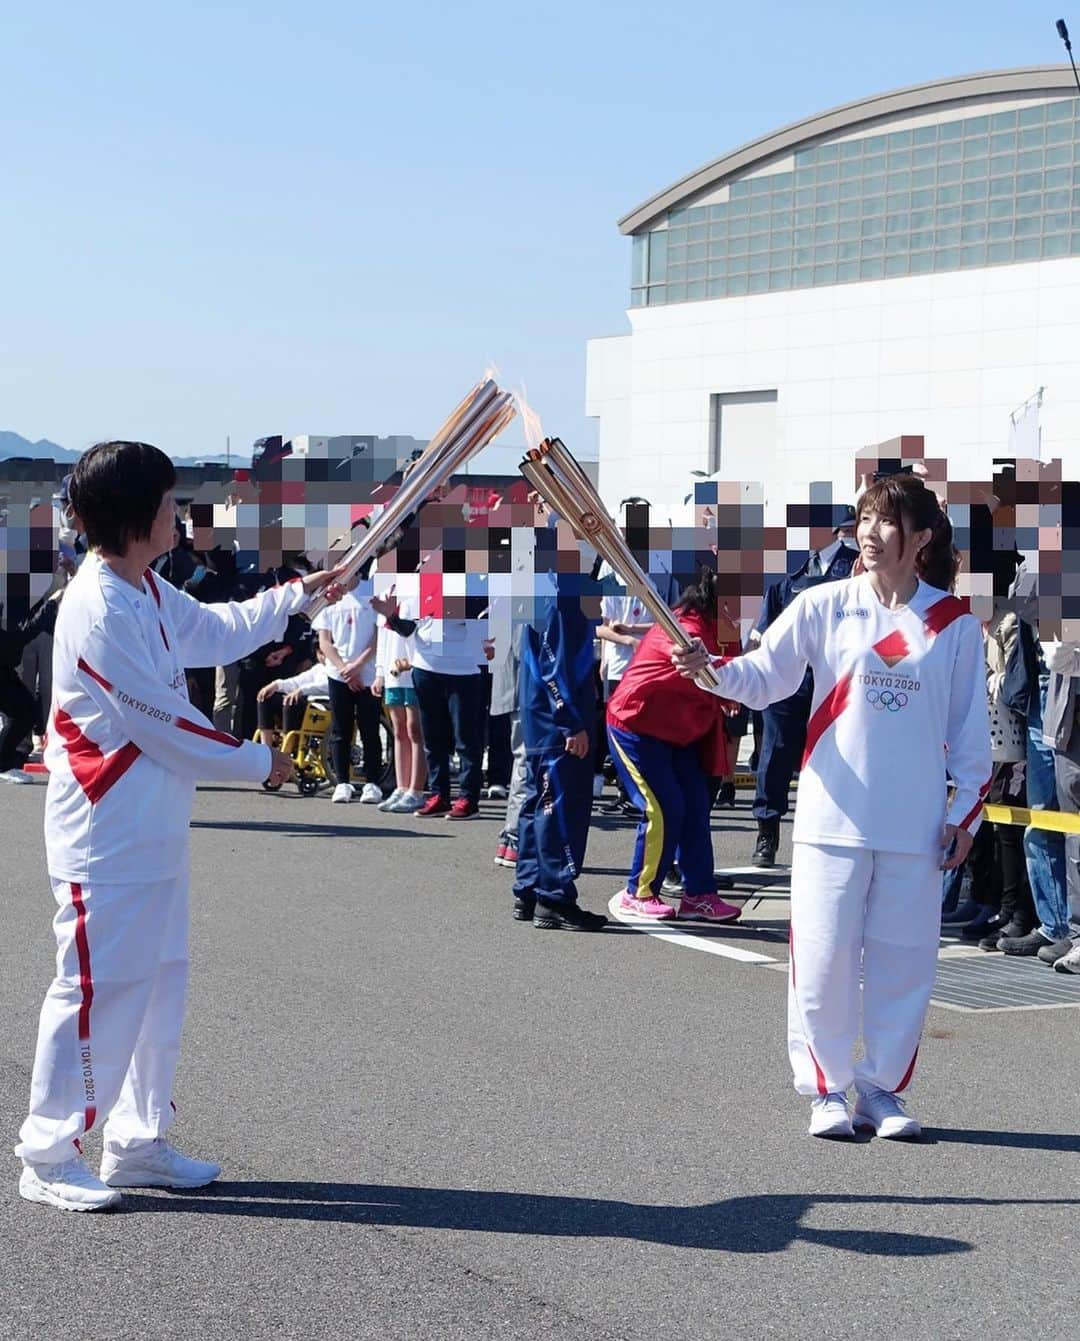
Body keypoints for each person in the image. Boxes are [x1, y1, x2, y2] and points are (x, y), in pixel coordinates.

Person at [15, 440, 342, 1212]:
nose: (179, 516)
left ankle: (136, 1140)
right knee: (96, 988)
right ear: (137, 516)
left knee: (160, 985)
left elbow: (221, 630)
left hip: (154, 830)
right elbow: (166, 726)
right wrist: (261, 761)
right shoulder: (97, 608)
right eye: (168, 503)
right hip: (105, 835)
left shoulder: (147, 591)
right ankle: (48, 1150)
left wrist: (297, 595)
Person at [672, 475, 991, 1141]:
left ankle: (881, 1090)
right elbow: (762, 677)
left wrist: (965, 815)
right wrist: (710, 669)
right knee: (822, 958)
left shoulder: (953, 625)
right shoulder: (825, 605)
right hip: (831, 819)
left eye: (887, 521)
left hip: (914, 825)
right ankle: (826, 1089)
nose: (870, 532)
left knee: (905, 964)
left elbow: (968, 731)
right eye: (865, 518)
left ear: (922, 537)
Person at [606, 569, 743, 925]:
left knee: (695, 808)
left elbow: (738, 667)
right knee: (663, 808)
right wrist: (724, 679)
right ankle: (638, 892)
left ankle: (699, 894)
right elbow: (694, 660)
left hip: (681, 733)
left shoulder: (726, 626)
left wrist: (730, 689)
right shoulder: (683, 624)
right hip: (637, 725)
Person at [748, 511, 858, 868]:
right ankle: (768, 830)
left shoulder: (855, 565)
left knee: (837, 754)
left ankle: (835, 831)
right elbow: (766, 628)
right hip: (789, 683)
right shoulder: (790, 568)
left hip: (834, 682)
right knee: (775, 755)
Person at [512, 598, 606, 931]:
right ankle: (554, 897)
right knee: (561, 808)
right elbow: (553, 662)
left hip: (542, 720)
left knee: (538, 803)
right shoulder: (561, 597)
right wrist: (570, 722)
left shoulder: (542, 593)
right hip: (557, 724)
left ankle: (529, 889)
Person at [311, 575, 383, 804]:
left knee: (369, 727)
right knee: (341, 729)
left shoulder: (371, 591)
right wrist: (344, 669)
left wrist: (358, 666)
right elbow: (324, 640)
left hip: (368, 674)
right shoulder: (328, 596)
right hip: (338, 674)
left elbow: (378, 635)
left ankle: (372, 782)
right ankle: (342, 782)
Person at [371, 590, 427, 813]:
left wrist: (412, 663)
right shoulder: (385, 595)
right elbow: (383, 640)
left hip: (412, 668)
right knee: (399, 731)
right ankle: (402, 787)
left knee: (415, 730)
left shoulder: (417, 594)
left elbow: (416, 633)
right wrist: (379, 673)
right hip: (392, 672)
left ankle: (417, 790)